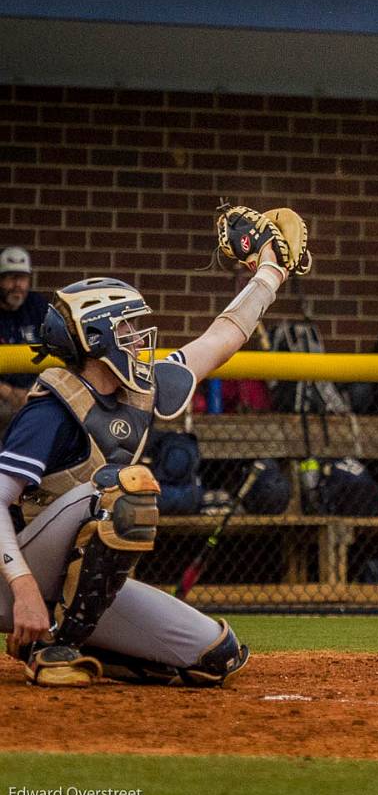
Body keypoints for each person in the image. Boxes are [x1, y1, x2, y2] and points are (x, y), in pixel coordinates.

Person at [0, 203, 305, 686]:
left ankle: (70, 634)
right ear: (97, 338)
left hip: (63, 579)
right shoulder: (54, 405)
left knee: (216, 656)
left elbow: (222, 336)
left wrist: (269, 270)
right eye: (126, 329)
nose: (139, 338)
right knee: (125, 490)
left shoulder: (139, 387)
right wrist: (22, 590)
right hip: (12, 574)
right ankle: (52, 647)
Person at [0, 247, 48, 423]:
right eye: (11, 278)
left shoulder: (37, 306)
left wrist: (32, 392)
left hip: (35, 391)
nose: (18, 284)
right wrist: (8, 393)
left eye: (23, 278)